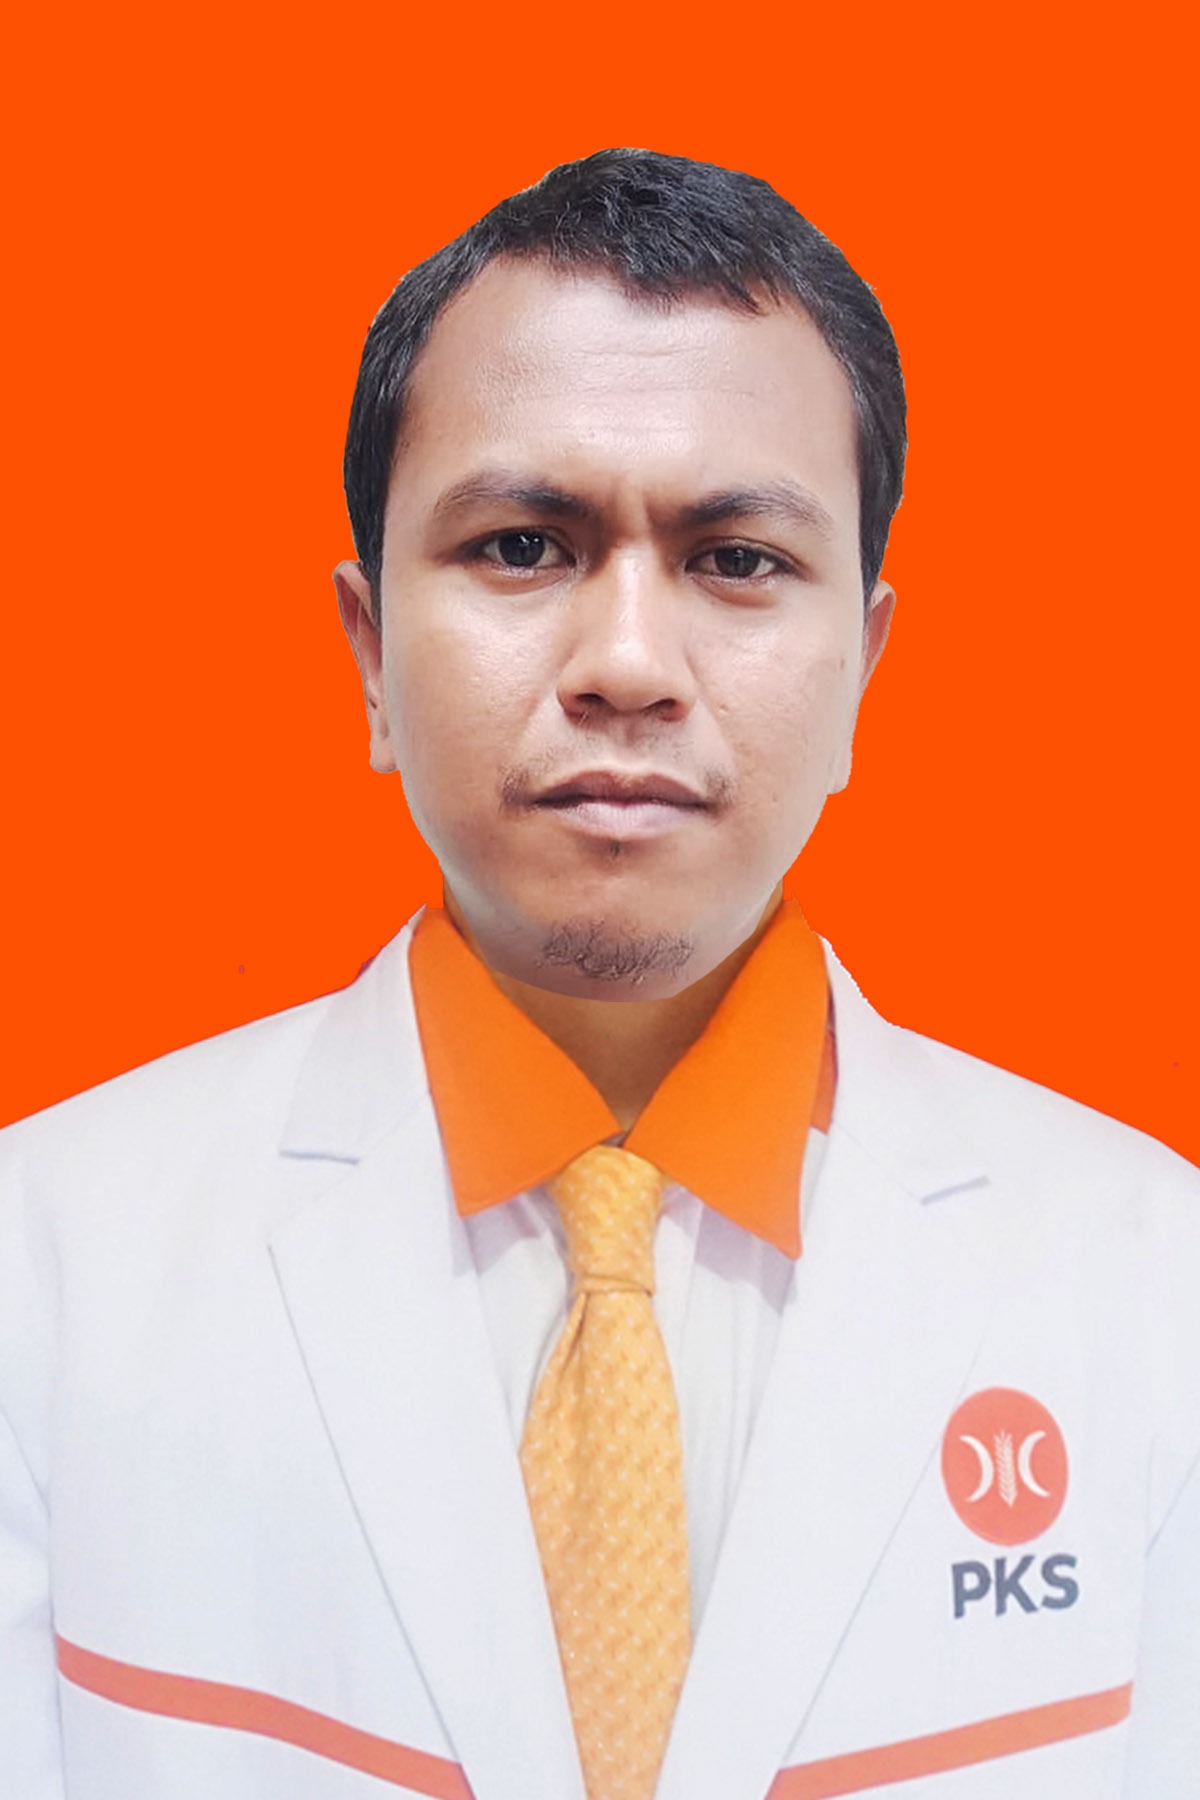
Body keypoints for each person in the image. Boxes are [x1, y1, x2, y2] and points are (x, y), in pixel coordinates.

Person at [1, 149, 1197, 1800]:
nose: (627, 664)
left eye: (737, 559)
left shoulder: (1153, 1279)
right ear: (368, 650)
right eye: (521, 545)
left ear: (865, 662)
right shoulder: (46, 1266)